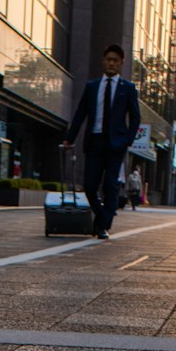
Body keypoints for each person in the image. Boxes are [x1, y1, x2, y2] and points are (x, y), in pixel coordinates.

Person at [63, 44, 141, 239]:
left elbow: (135, 117)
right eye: (108, 59)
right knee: (89, 185)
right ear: (103, 61)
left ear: (121, 63)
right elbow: (81, 113)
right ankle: (102, 216)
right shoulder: (92, 86)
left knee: (110, 185)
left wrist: (128, 140)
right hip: (95, 141)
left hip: (116, 144)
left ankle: (103, 226)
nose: (111, 63)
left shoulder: (128, 89)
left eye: (115, 60)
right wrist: (69, 138)